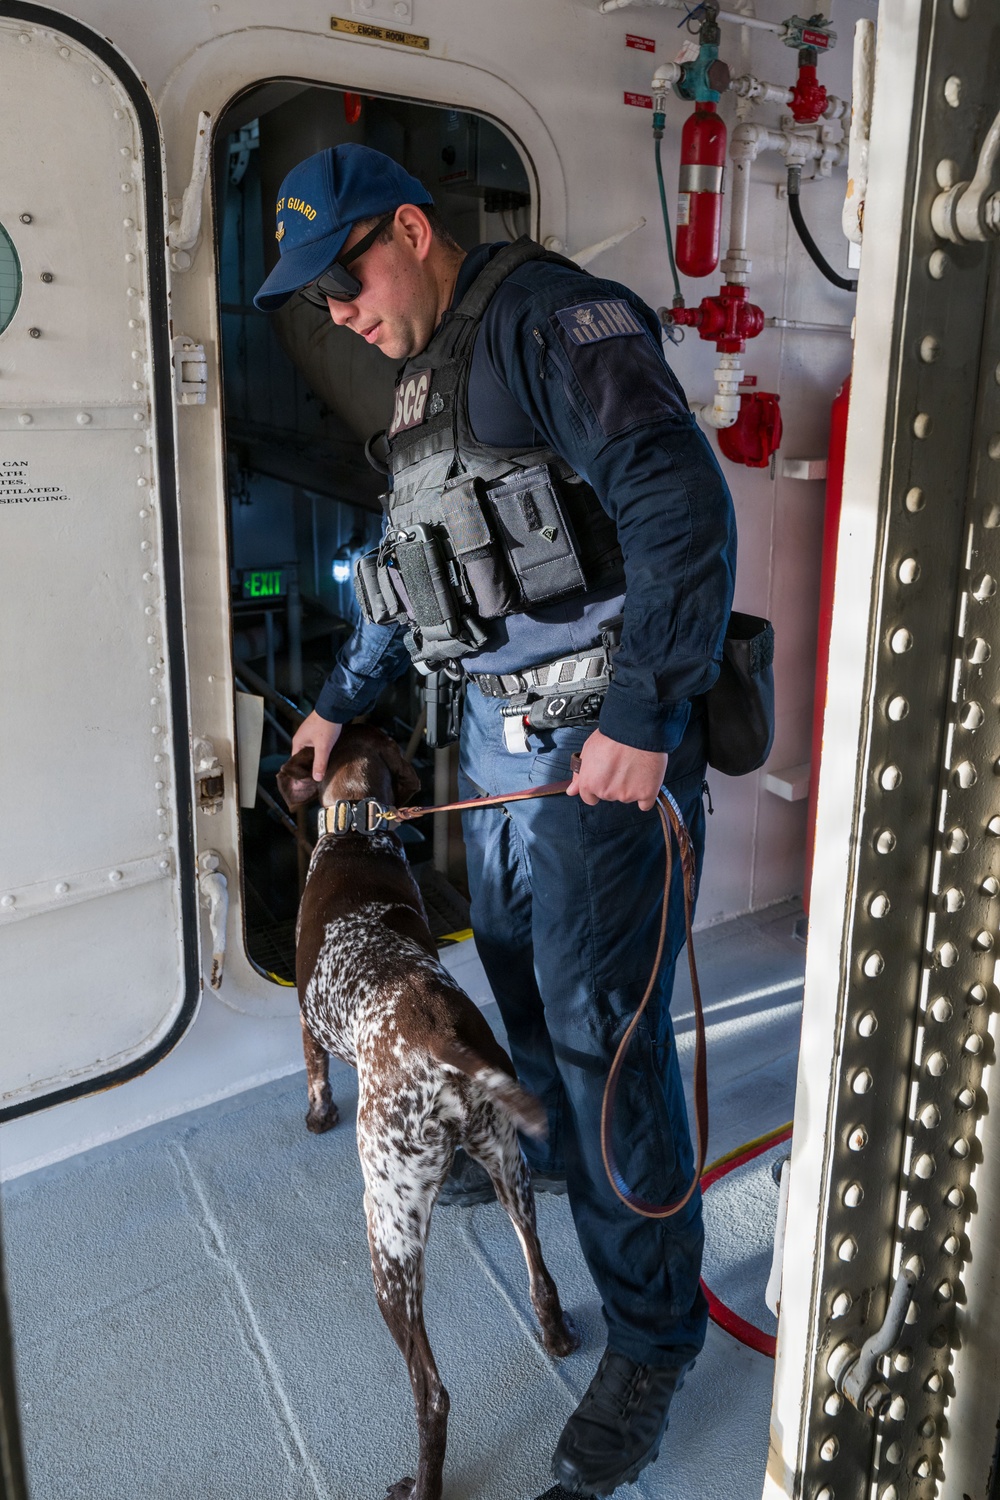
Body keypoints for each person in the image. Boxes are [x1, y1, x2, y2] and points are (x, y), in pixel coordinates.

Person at [254, 142, 736, 1498]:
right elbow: (413, 586)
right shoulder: (418, 396)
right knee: (525, 997)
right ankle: (533, 1151)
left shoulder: (545, 321)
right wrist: (341, 702)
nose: (339, 309)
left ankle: (651, 1336)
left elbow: (678, 505)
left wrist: (643, 721)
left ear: (411, 229)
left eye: (348, 274)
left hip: (598, 748)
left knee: (607, 1040)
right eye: (320, 298)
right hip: (496, 745)